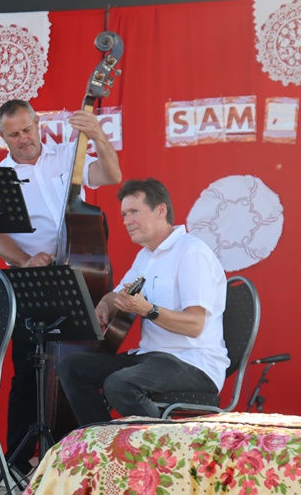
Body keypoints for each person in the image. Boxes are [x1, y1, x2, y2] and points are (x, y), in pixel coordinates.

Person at [0, 100, 122, 473]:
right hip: (32, 278)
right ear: (1, 137)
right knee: (27, 368)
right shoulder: (1, 176)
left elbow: (111, 174)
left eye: (27, 129)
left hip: (81, 272)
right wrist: (25, 261)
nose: (23, 139)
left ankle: (81, 453)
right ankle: (17, 461)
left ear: (37, 123)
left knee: (82, 365)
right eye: (13, 134)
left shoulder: (68, 156)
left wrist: (97, 135)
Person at [58, 178, 228, 424]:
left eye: (134, 212)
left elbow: (194, 325)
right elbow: (119, 294)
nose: (126, 221)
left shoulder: (191, 252)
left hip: (194, 361)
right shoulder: (146, 256)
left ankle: (165, 442)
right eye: (124, 214)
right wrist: (105, 304)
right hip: (151, 356)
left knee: (119, 384)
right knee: (73, 367)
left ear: (160, 210)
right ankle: (103, 439)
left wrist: (148, 310)